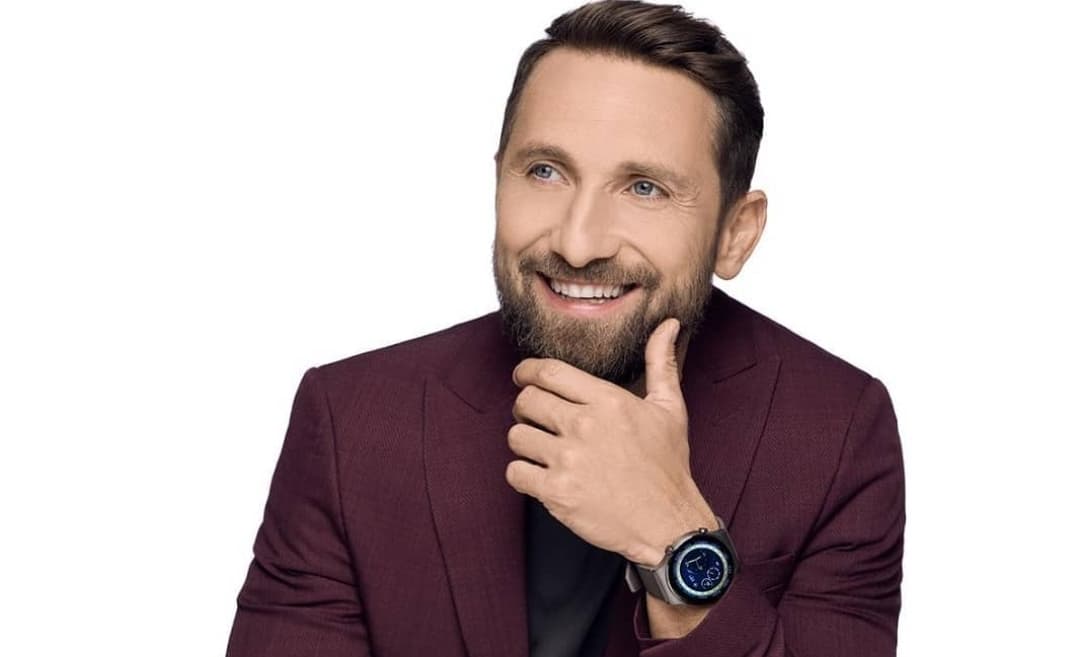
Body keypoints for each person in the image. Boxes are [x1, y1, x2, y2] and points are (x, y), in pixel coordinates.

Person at [225, 1, 905, 655]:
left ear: (736, 233)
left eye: (644, 188)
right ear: (499, 180)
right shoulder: (352, 420)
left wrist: (673, 539)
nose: (578, 245)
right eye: (545, 172)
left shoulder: (837, 431)